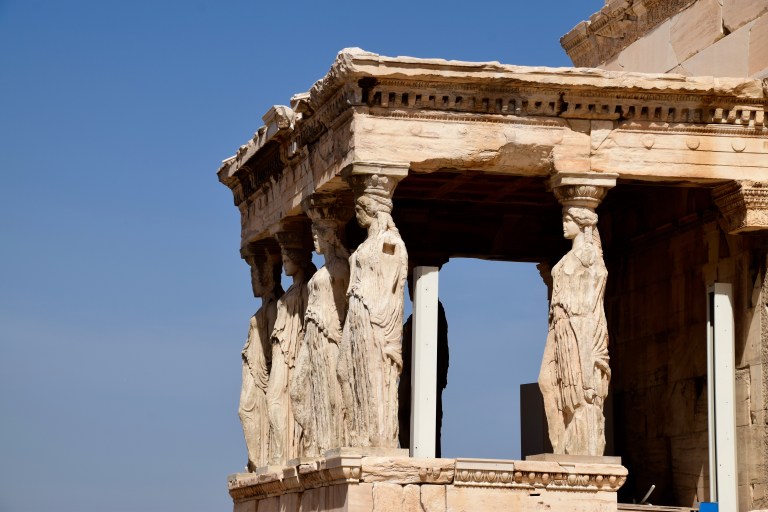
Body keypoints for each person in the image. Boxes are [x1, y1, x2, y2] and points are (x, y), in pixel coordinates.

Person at [338, 187, 408, 448]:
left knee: (373, 372)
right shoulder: (368, 243)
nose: (357, 215)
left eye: (360, 209)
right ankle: (357, 435)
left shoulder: (389, 242)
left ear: (373, 210)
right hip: (357, 313)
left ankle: (379, 438)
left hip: (372, 315)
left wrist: (381, 319)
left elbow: (394, 283)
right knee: (345, 370)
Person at [538, 206, 610, 456]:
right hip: (560, 325)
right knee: (547, 382)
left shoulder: (588, 256)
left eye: (569, 220)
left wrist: (586, 345)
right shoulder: (572, 256)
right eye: (564, 219)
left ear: (583, 225)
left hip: (578, 325)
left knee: (580, 389)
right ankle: (561, 447)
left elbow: (592, 298)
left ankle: (581, 450)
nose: (564, 224)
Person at [291, 218, 349, 456]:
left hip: (330, 334)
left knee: (330, 393)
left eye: (320, 233)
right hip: (311, 334)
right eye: (313, 233)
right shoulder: (320, 273)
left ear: (330, 236)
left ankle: (329, 443)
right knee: (298, 390)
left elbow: (347, 304)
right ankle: (313, 441)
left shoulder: (341, 268)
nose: (315, 237)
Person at [266, 245, 315, 465]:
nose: (284, 260)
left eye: (288, 257)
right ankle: (281, 453)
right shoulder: (291, 291)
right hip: (282, 350)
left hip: (293, 353)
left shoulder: (305, 289)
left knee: (286, 397)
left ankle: (294, 450)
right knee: (274, 398)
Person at [238, 250, 283, 471]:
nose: (253, 280)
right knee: (245, 411)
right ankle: (257, 459)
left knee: (250, 410)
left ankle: (265, 458)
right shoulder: (264, 308)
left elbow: (274, 349)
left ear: (268, 276)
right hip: (254, 369)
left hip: (264, 372)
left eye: (256, 274)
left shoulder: (275, 307)